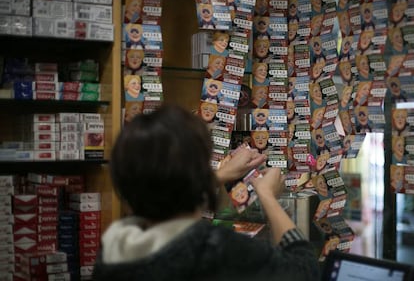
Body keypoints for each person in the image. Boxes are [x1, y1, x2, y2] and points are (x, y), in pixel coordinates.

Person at [92, 105, 320, 281]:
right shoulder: (209, 248)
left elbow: (164, 188)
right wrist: (267, 196)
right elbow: (305, 270)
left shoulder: (115, 246)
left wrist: (219, 175)